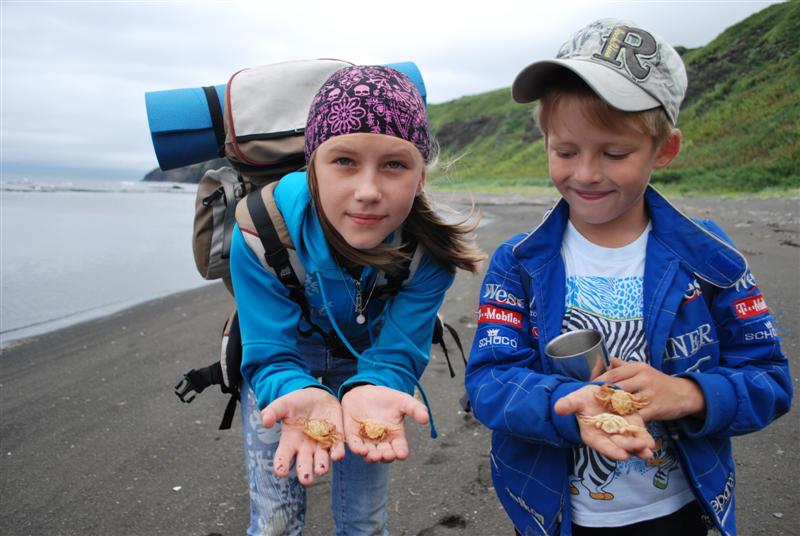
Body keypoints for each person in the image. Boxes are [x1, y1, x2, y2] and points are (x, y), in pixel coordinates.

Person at [464, 19, 792, 536]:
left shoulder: (711, 258)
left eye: (614, 153)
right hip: (554, 510)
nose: (587, 173)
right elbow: (488, 382)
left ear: (664, 150)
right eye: (565, 151)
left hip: (679, 509)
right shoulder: (519, 262)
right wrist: (565, 406)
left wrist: (689, 394)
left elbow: (769, 380)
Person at [229, 64, 483, 536]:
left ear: (421, 177)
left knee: (364, 522)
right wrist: (291, 390)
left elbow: (397, 351)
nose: (368, 192)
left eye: (394, 164)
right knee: (275, 522)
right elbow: (267, 352)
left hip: (369, 366)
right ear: (313, 169)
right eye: (344, 161)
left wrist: (379, 385)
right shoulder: (259, 230)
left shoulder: (430, 253)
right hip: (281, 367)